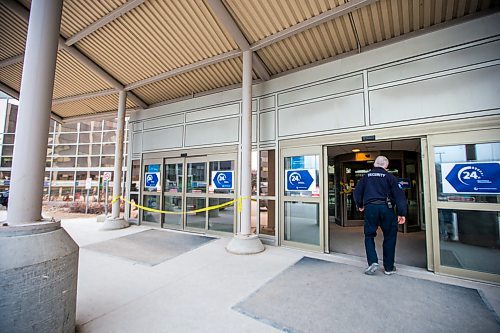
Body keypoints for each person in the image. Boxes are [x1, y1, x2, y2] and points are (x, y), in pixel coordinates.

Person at [353, 156, 407, 275]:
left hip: (370, 208)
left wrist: (360, 205)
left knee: (369, 235)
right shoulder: (390, 177)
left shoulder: (365, 177)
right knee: (390, 236)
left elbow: (357, 192)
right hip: (386, 208)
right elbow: (399, 196)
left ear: (375, 164)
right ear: (386, 165)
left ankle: (372, 261)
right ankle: (388, 267)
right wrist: (401, 213)